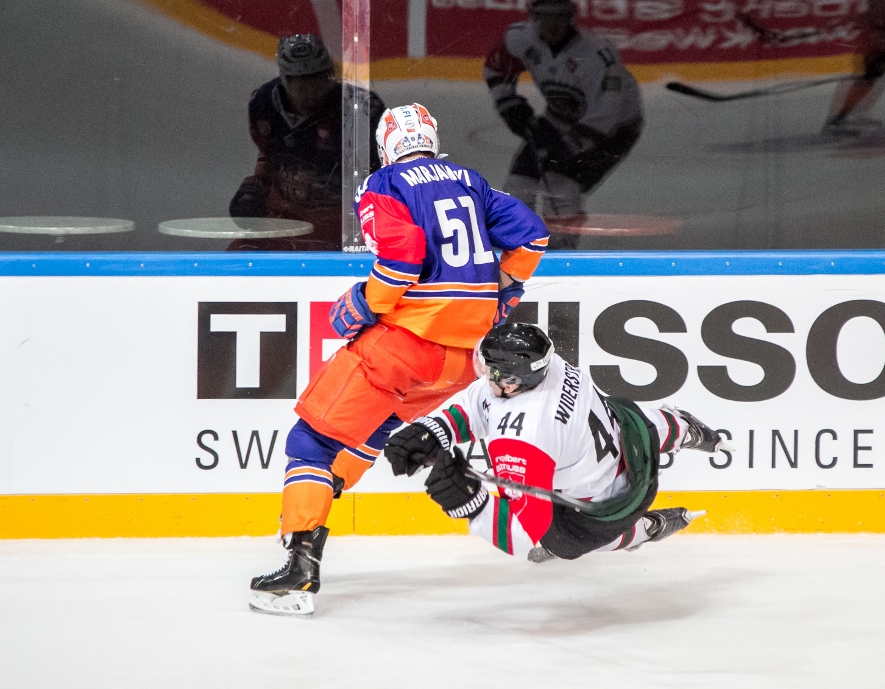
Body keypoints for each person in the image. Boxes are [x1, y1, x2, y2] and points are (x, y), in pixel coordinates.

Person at [249, 103, 551, 615]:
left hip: (404, 347)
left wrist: (367, 302)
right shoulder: (470, 180)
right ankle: (538, 526)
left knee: (312, 440)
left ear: (387, 146)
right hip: (463, 362)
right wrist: (506, 291)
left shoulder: (384, 184)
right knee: (376, 429)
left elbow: (405, 253)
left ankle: (299, 564)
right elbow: (533, 233)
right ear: (432, 139)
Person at [383, 322, 733, 562]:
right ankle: (689, 430)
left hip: (613, 501)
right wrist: (433, 429)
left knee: (563, 542)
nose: (483, 375)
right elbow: (482, 401)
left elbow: (520, 534)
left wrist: (472, 504)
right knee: (639, 423)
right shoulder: (550, 367)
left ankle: (649, 528)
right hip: (629, 433)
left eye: (490, 371)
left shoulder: (522, 437)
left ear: (512, 381)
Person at [483, 0, 643, 232]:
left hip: (615, 131)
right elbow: (497, 68)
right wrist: (508, 103)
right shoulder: (520, 38)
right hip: (559, 119)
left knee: (561, 186)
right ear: (533, 16)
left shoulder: (597, 55)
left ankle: (562, 252)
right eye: (545, 16)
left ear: (570, 17)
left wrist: (566, 147)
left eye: (559, 16)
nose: (552, 24)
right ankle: (518, 245)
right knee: (518, 185)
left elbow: (608, 113)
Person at [228, 34, 386, 251]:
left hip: (340, 221)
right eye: (302, 87)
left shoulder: (361, 110)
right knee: (239, 256)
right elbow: (268, 154)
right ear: (285, 80)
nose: (310, 95)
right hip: (284, 217)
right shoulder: (263, 104)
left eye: (317, 84)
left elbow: (384, 174)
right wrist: (257, 185)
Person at [822, 0, 885, 135]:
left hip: (884, 32)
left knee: (874, 74)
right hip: (882, 34)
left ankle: (844, 117)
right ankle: (839, 119)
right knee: (869, 75)